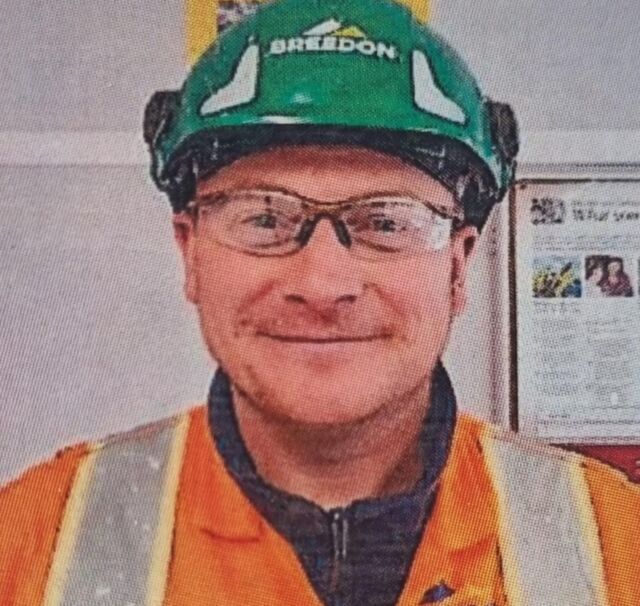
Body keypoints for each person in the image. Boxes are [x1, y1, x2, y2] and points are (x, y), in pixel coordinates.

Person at [1, 0, 639, 604]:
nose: (324, 284)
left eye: (386, 222)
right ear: (190, 253)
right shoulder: (32, 546)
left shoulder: (617, 546)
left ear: (457, 265)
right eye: (264, 219)